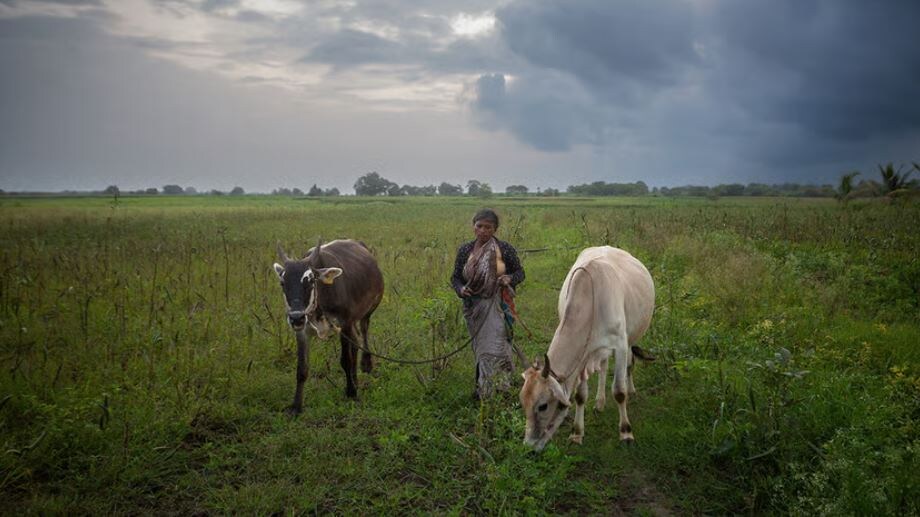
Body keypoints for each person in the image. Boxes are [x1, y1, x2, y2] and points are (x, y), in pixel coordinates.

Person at [451, 209, 525, 399]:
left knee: (497, 345)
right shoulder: (465, 250)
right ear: (473, 227)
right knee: (481, 348)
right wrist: (460, 290)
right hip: (474, 308)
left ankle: (495, 389)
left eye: (488, 227)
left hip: (498, 306)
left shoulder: (504, 249)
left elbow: (519, 273)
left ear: (495, 229)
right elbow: (456, 278)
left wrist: (509, 278)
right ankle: (484, 385)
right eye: (479, 226)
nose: (483, 231)